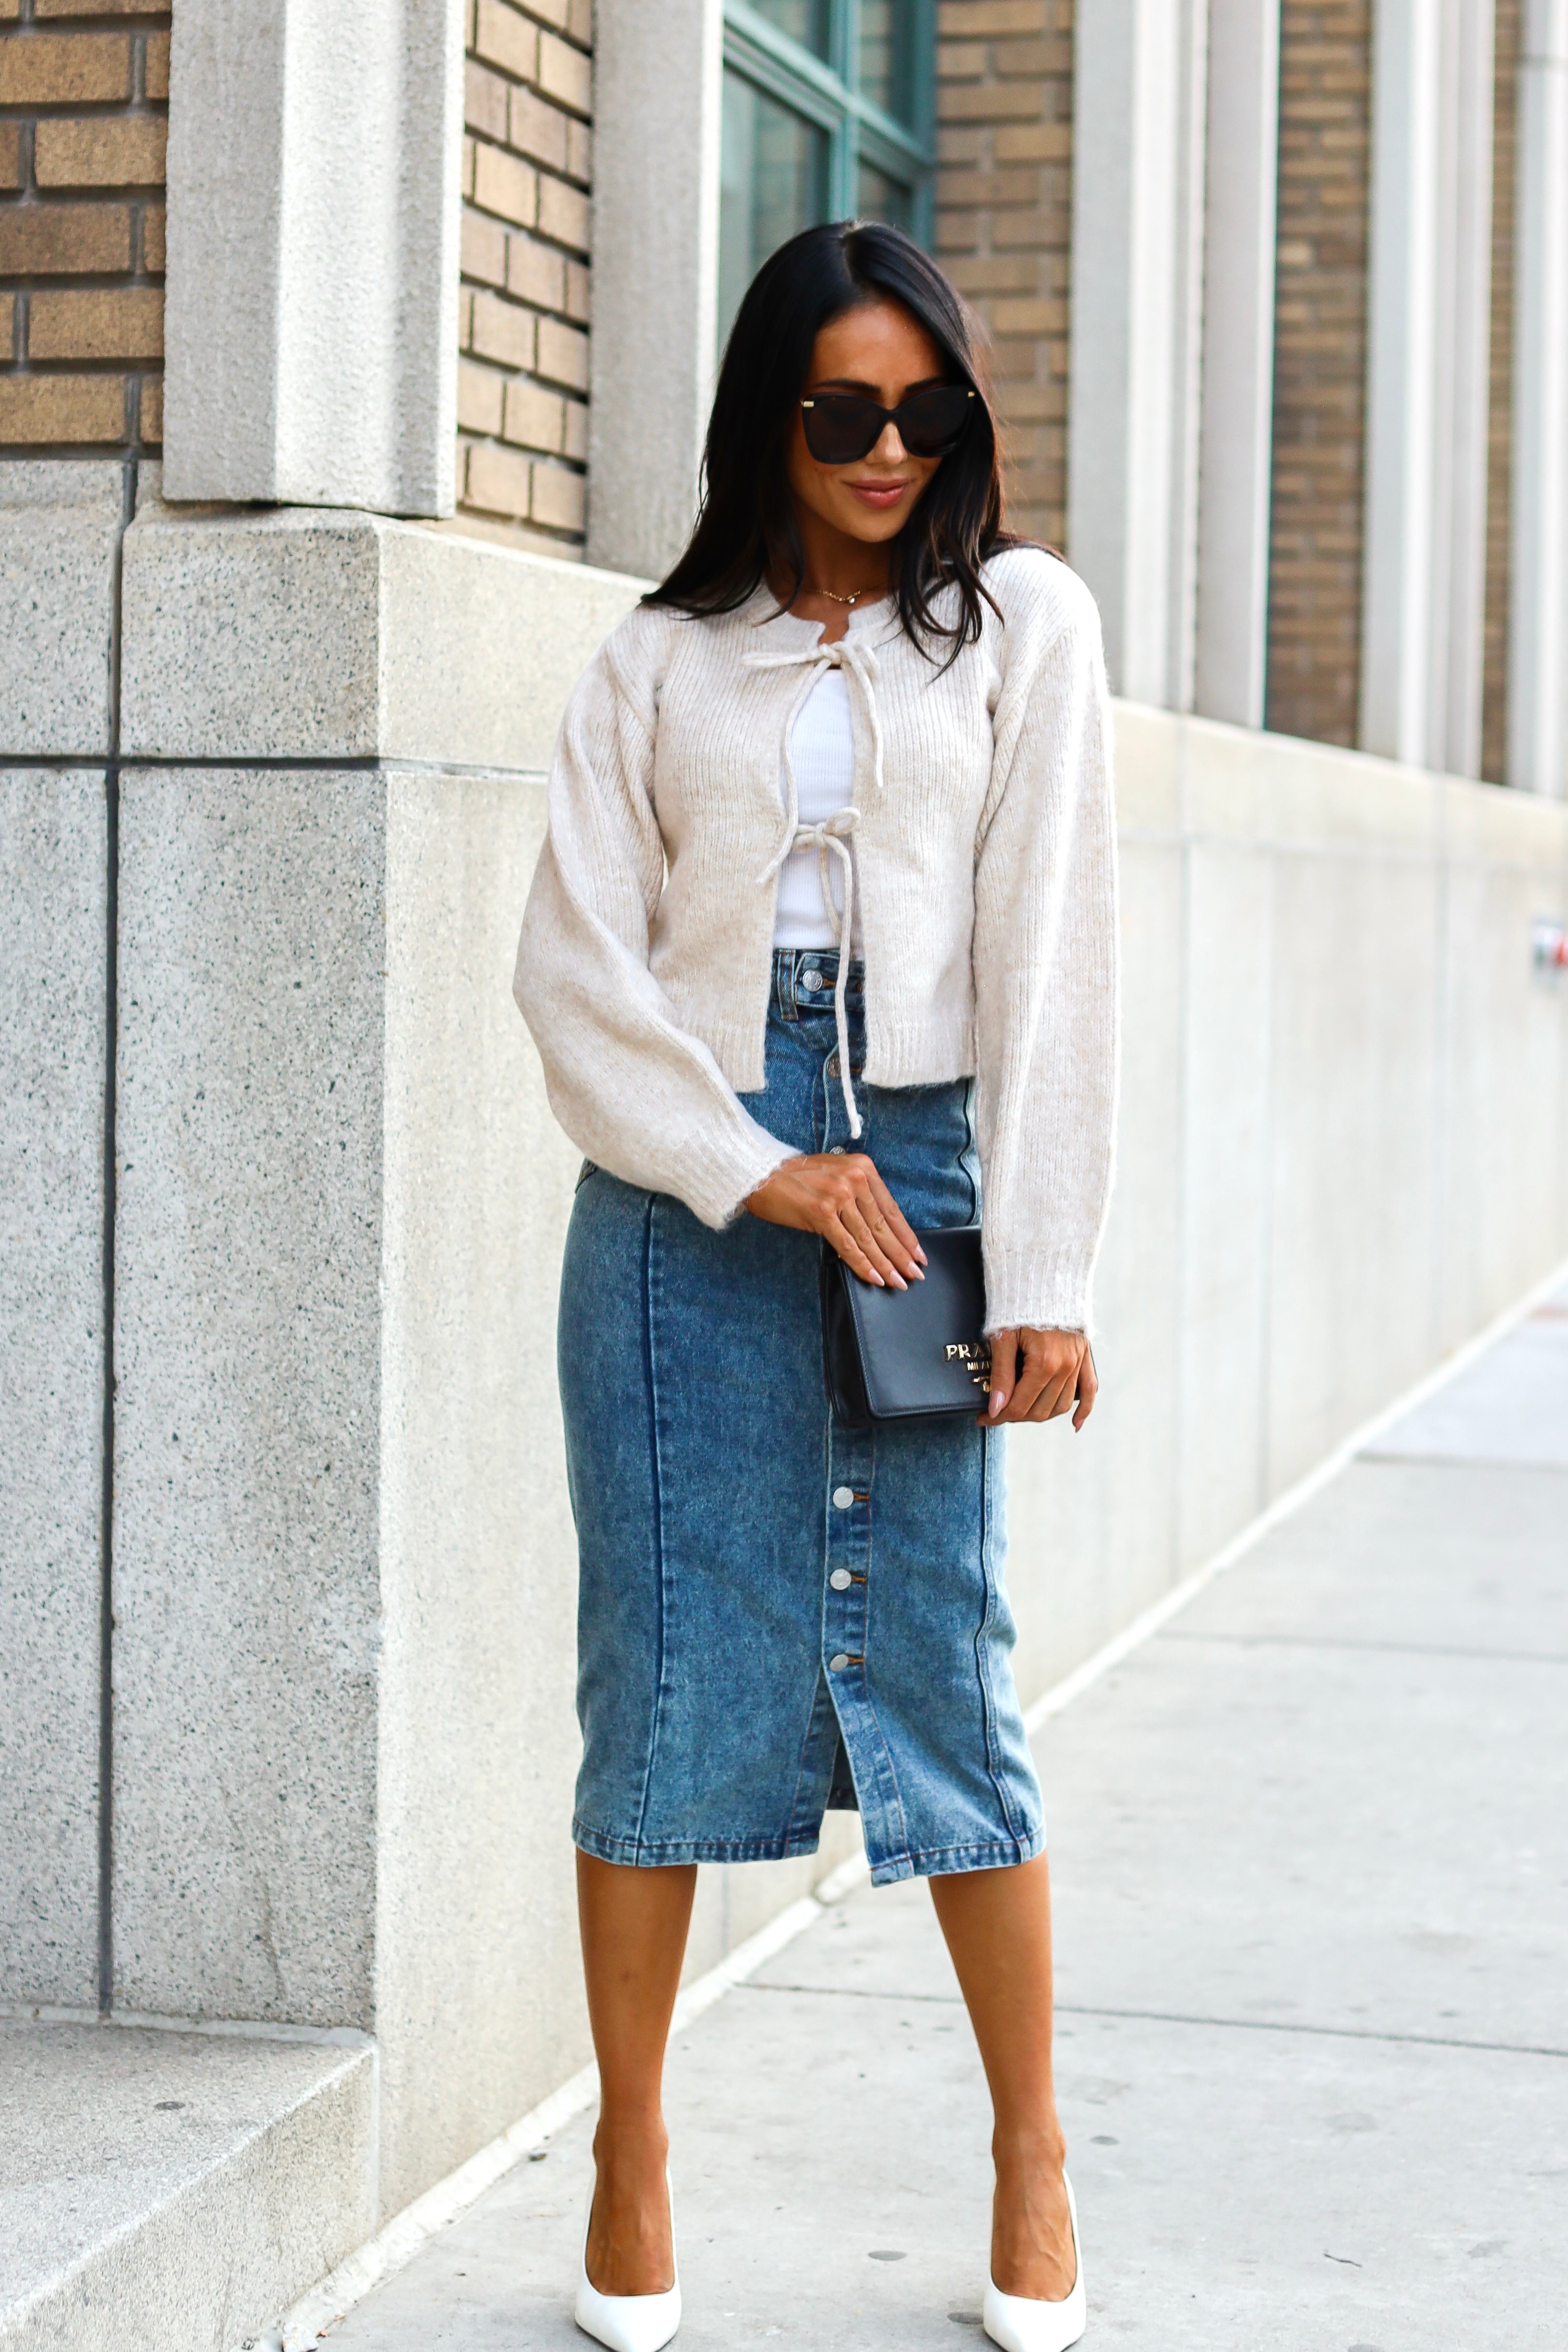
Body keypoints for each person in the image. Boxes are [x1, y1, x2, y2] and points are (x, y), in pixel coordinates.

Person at [515, 219, 1118, 2352]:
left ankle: (1031, 2156)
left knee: (948, 1665)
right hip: (689, 1203)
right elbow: (575, 975)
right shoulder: (658, 660)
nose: (889, 446)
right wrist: (761, 1165)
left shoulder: (1022, 627)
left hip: (931, 1168)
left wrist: (1038, 1264)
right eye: (844, 408)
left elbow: (1056, 963)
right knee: (660, 1674)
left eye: (925, 407)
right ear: (770, 417)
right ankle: (634, 2147)